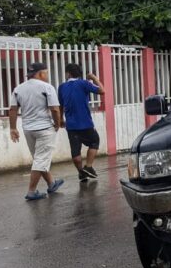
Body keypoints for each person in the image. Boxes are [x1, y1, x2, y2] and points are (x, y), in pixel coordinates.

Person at [9, 62, 64, 200]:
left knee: (39, 159)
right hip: (45, 129)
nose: (47, 75)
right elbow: (55, 109)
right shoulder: (47, 87)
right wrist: (57, 124)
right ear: (40, 73)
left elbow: (13, 109)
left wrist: (13, 128)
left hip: (28, 129)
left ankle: (51, 183)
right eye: (46, 73)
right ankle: (31, 191)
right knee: (41, 160)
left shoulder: (18, 89)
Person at [58, 63, 105, 182]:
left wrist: (60, 119)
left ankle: (81, 173)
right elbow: (102, 91)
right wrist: (94, 78)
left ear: (68, 73)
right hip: (85, 123)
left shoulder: (62, 87)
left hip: (71, 125)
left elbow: (61, 105)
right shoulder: (84, 83)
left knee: (75, 151)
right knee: (94, 141)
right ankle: (88, 167)